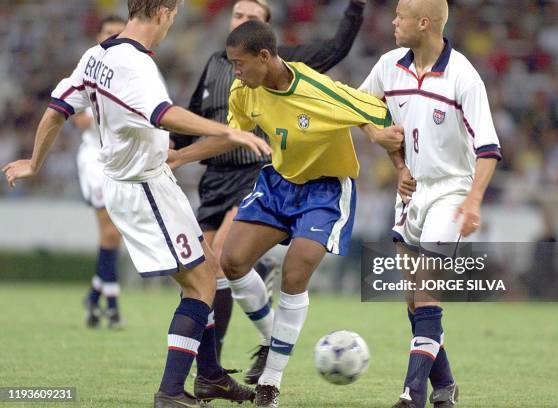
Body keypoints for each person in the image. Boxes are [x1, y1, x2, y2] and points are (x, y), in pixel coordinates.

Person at [2, 1, 271, 407]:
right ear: (162, 12)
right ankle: (170, 392)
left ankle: (211, 376)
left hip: (145, 181)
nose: (171, 25)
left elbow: (57, 108)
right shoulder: (134, 64)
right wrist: (227, 133)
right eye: (174, 16)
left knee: (209, 269)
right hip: (142, 186)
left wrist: (34, 163)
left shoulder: (97, 56)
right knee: (200, 286)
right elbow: (164, 114)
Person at [168, 20, 404, 407]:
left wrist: (386, 147)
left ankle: (270, 383)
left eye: (240, 63)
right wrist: (180, 156)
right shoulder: (244, 91)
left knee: (295, 273)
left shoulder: (316, 88)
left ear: (265, 56)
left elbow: (373, 110)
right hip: (278, 184)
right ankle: (272, 336)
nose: (235, 72)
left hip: (325, 190)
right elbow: (229, 136)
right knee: (231, 260)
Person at [359, 0, 502, 407]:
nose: (392, 22)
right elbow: (356, 107)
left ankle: (412, 395)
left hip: (453, 191)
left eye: (400, 16)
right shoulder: (389, 65)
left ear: (423, 23)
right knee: (413, 299)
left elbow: (488, 148)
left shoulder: (464, 76)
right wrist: (385, 147)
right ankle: (445, 385)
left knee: (426, 290)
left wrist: (473, 201)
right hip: (411, 192)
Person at [73, 15, 126, 330]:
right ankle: (113, 305)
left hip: (119, 160)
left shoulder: (131, 72)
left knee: (113, 234)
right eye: (108, 33)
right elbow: (78, 120)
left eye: (118, 34)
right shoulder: (86, 71)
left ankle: (94, 298)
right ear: (98, 37)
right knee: (110, 232)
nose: (113, 39)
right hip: (95, 159)